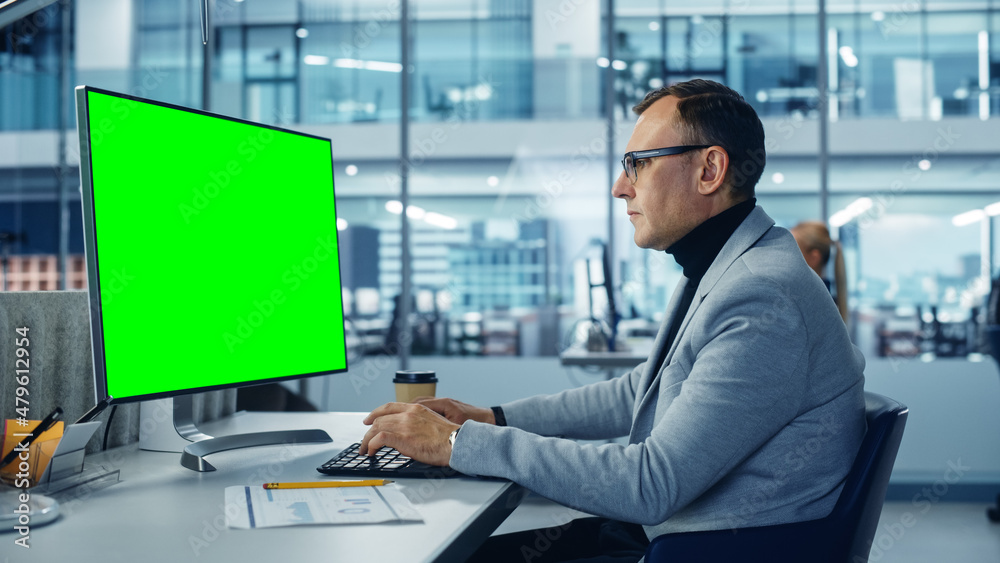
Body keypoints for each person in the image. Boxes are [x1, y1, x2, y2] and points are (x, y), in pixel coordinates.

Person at [360, 79, 866, 562]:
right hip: (674, 535)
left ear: (709, 170)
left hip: (704, 548)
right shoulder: (729, 268)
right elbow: (638, 393)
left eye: (637, 163)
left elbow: (649, 484)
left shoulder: (761, 295)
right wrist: (491, 419)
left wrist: (455, 443)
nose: (619, 187)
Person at [791, 220, 849, 323]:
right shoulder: (816, 298)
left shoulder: (815, 304)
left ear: (814, 258)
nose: (787, 258)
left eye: (793, 251)